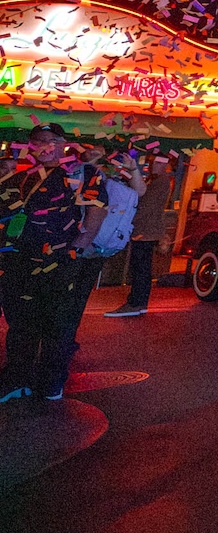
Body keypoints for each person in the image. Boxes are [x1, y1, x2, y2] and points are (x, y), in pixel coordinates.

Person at [1, 125, 107, 403]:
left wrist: (79, 246)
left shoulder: (83, 173)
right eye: (39, 142)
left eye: (52, 140)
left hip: (63, 260)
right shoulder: (20, 177)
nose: (46, 146)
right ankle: (18, 378)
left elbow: (97, 210)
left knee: (58, 324)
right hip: (20, 261)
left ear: (64, 144)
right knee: (21, 323)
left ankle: (51, 381)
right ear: (30, 146)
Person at [106, 149, 164, 317]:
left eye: (158, 163)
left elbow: (145, 204)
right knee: (141, 267)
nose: (154, 165)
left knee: (140, 268)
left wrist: (128, 217)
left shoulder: (160, 182)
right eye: (153, 162)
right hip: (146, 231)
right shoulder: (157, 181)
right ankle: (137, 302)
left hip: (146, 231)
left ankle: (136, 302)